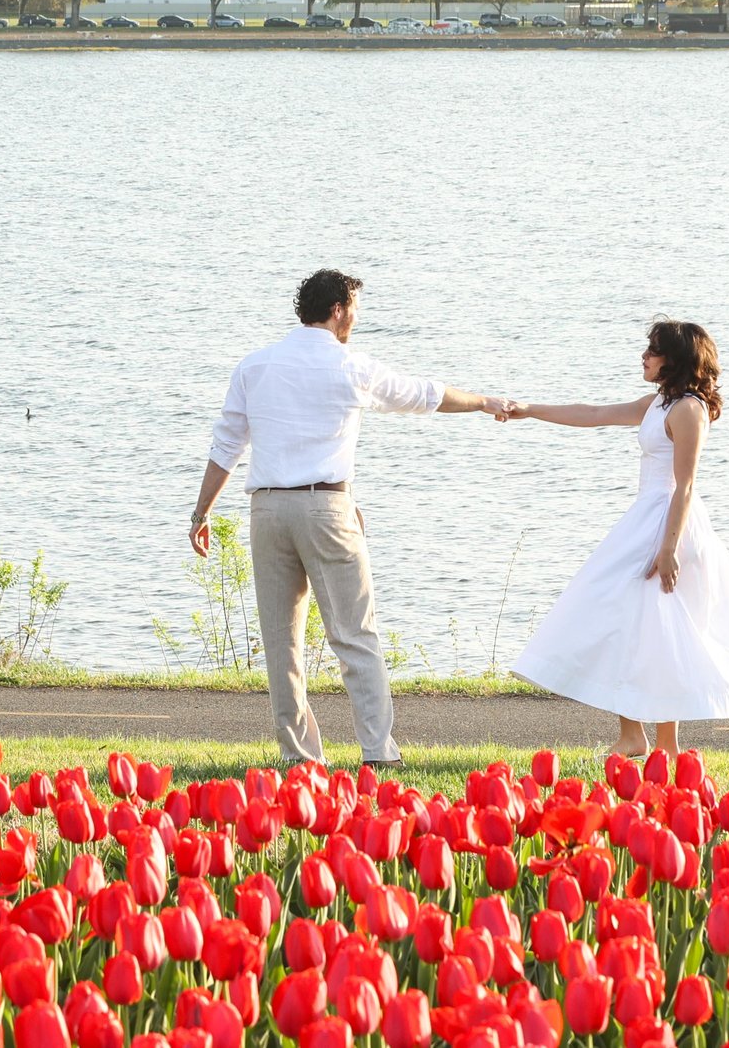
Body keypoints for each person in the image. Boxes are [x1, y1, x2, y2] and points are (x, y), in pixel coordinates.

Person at [190, 268, 506, 767]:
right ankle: (378, 752)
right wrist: (485, 402)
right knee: (355, 634)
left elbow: (228, 443)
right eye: (353, 308)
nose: (354, 318)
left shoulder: (254, 366)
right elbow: (425, 394)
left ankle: (300, 759)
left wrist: (201, 511)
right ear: (338, 310)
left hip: (267, 510)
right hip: (326, 509)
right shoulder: (350, 366)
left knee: (280, 642)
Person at [500, 320, 729, 757]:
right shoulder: (658, 403)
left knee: (660, 629)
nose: (644, 356)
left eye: (652, 350)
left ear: (674, 360)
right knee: (631, 622)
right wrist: (529, 409)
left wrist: (668, 549)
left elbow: (685, 485)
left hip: (671, 526)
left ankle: (666, 745)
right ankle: (633, 736)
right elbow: (594, 414)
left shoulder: (688, 410)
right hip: (644, 520)